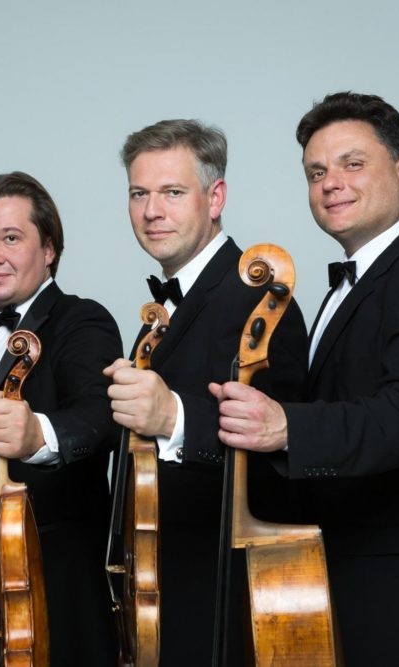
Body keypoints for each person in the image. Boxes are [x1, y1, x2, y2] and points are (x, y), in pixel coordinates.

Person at [210, 92, 399, 666]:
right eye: (316, 173)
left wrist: (287, 427)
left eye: (353, 164)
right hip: (358, 583)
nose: (331, 184)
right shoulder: (350, 286)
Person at [104, 120, 308, 665]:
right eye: (139, 194)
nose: (152, 211)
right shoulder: (161, 310)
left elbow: (284, 457)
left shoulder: (260, 302)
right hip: (155, 588)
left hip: (217, 598)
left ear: (215, 198)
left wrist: (172, 417)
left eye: (172, 192)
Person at [0, 171, 121, 666]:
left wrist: (37, 432)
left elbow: (101, 416)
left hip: (52, 589)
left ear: (49, 249)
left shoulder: (81, 320)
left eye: (11, 238)